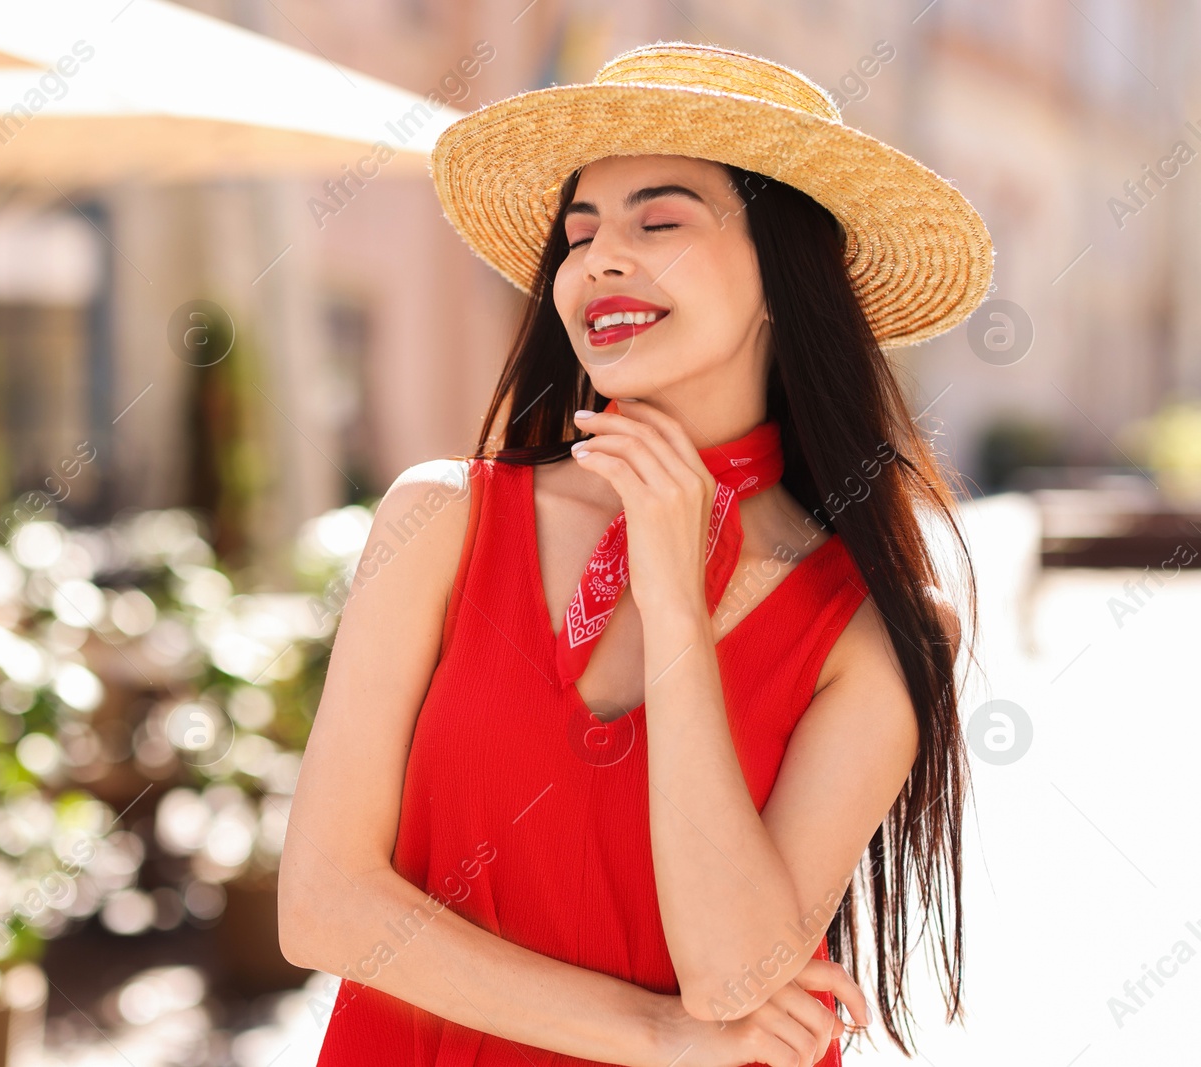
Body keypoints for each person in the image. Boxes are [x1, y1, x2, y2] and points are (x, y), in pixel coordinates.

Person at [279, 41, 987, 1067]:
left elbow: (737, 976)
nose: (599, 258)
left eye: (659, 220)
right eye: (578, 235)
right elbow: (323, 905)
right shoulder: (439, 520)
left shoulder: (880, 620)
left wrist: (673, 599)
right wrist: (649, 1031)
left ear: (784, 279)